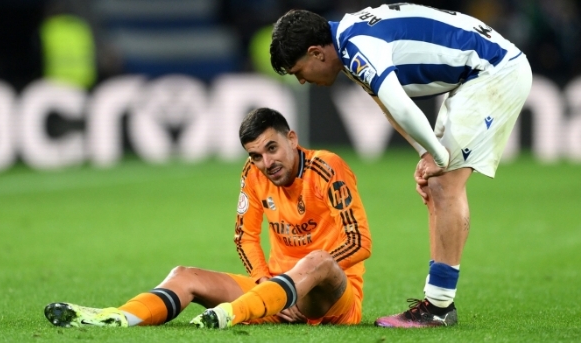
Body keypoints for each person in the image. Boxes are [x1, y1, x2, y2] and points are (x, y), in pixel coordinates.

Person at [270, 3, 532, 328]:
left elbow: (403, 107)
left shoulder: (356, 47)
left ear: (316, 53)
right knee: (439, 183)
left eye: (299, 71)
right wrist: (426, 153)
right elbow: (388, 107)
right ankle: (437, 304)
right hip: (478, 74)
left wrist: (437, 156)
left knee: (445, 184)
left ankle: (438, 308)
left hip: (494, 71)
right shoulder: (349, 40)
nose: (302, 82)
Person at [43, 107, 372, 329]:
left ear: (292, 139)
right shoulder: (254, 174)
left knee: (318, 261)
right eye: (255, 155)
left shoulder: (327, 167)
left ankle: (230, 314)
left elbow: (359, 243)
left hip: (332, 302)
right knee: (185, 275)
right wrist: (262, 280)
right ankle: (117, 317)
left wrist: (295, 281)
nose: (265, 162)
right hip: (272, 296)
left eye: (272, 148)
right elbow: (244, 236)